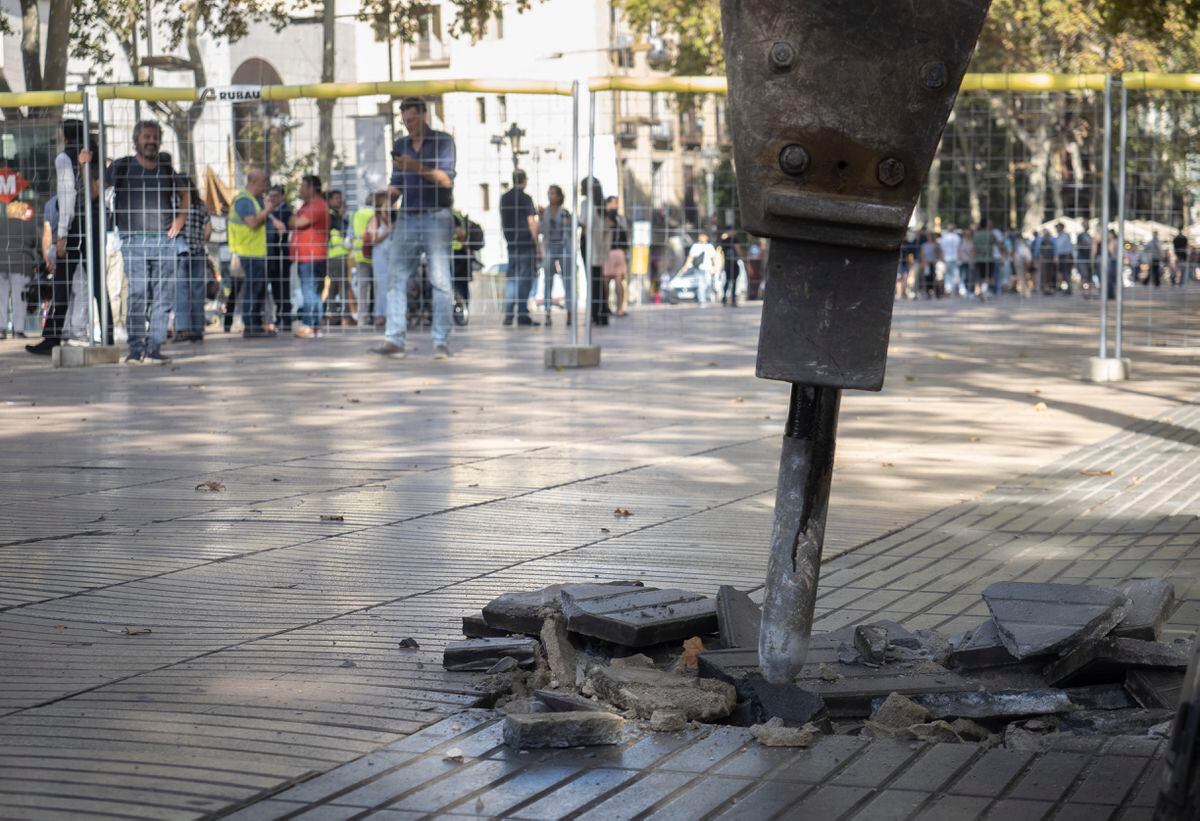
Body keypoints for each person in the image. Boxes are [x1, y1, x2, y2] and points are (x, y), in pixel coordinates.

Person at [372, 98, 456, 359]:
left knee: (440, 281)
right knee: (396, 278)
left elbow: (446, 180)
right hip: (407, 217)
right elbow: (397, 183)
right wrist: (386, 199)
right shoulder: (400, 145)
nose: (408, 125)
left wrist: (415, 166)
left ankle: (441, 340)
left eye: (412, 119)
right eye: (405, 121)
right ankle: (394, 340)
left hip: (436, 216)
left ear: (424, 115)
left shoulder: (443, 141)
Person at [101, 120, 187, 363]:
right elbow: (98, 189)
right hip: (132, 240)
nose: (151, 141)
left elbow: (184, 193)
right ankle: (136, 348)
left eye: (154, 137)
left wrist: (180, 219)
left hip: (163, 239)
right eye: (146, 137)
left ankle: (154, 347)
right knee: (137, 294)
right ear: (136, 140)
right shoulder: (122, 166)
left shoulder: (167, 169)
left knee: (163, 296)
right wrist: (87, 165)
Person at [27, 120, 87, 355]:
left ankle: (55, 337)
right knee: (84, 285)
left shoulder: (65, 158)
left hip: (71, 229)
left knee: (63, 285)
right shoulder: (87, 153)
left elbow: (67, 196)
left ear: (64, 135)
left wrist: (62, 235)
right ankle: (101, 333)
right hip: (86, 225)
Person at [227, 168, 277, 338]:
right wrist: (268, 211)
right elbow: (253, 222)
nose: (265, 187)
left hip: (255, 252)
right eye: (263, 183)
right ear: (254, 182)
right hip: (247, 252)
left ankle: (255, 324)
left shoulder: (253, 200)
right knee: (252, 290)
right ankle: (251, 326)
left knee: (258, 289)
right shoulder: (244, 200)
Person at [289, 174, 328, 338]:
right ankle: (314, 326)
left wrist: (292, 219)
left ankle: (309, 325)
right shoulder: (309, 205)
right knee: (314, 292)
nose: (300, 189)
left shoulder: (317, 205)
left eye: (303, 186)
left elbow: (297, 223)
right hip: (309, 255)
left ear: (312, 188)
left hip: (311, 256)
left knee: (310, 291)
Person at [500, 168, 539, 327]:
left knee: (513, 278)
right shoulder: (525, 198)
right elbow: (531, 222)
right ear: (524, 180)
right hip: (525, 242)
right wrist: (537, 244)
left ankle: (509, 314)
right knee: (524, 279)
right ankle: (522, 314)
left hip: (511, 243)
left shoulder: (504, 198)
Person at [0, 200, 39, 340]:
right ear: (22, 212)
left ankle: (1, 329)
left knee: (1, 297)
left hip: (1, 263)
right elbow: (36, 245)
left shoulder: (1, 224)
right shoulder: (29, 227)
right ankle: (18, 330)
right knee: (20, 298)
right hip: (22, 265)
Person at [538, 184, 572, 325]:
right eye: (549, 193)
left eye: (553, 193)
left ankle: (570, 312)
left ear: (559, 196)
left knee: (568, 281)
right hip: (549, 248)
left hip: (564, 248)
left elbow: (571, 228)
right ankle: (547, 313)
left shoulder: (565, 213)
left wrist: (567, 223)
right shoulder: (544, 213)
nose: (550, 196)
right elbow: (541, 231)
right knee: (548, 281)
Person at [579, 177, 611, 325]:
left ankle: (594, 313)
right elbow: (607, 227)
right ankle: (602, 312)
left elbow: (583, 222)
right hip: (599, 246)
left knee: (591, 280)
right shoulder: (601, 204)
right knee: (598, 280)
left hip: (588, 243)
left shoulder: (586, 204)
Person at [264, 184, 291, 333]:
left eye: (275, 196)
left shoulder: (285, 211)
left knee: (283, 289)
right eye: (270, 197)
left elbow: (282, 228)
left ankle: (285, 319)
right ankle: (279, 318)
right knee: (275, 289)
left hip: (281, 255)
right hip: (270, 255)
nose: (272, 199)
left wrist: (269, 215)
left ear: (281, 196)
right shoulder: (270, 211)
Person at [324, 189, 354, 325]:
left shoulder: (335, 216)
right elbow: (343, 229)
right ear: (329, 200)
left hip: (337, 256)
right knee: (343, 286)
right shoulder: (331, 216)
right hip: (335, 256)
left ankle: (332, 315)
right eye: (336, 198)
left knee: (334, 287)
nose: (339, 201)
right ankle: (345, 316)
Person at [350, 195, 376, 325]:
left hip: (360, 253)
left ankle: (362, 318)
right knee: (376, 287)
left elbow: (350, 234)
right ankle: (377, 315)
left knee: (362, 287)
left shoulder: (356, 214)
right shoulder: (376, 213)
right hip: (375, 251)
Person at [604, 196, 629, 316]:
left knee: (613, 281)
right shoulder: (619, 219)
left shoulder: (605, 218)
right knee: (610, 281)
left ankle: (616, 307)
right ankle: (615, 308)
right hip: (615, 251)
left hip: (613, 251)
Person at [685, 231, 719, 306]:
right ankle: (702, 300)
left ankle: (707, 297)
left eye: (703, 236)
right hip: (699, 268)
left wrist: (715, 267)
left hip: (708, 268)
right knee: (700, 285)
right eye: (700, 236)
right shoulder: (695, 246)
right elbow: (690, 257)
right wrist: (686, 266)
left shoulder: (709, 246)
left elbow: (714, 258)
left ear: (707, 237)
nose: (701, 237)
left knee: (708, 283)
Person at [717, 227, 741, 307]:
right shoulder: (734, 239)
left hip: (728, 263)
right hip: (733, 263)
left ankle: (725, 299)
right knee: (732, 281)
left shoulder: (724, 240)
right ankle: (732, 300)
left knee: (728, 281)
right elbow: (738, 250)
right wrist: (741, 257)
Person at [937, 225, 961, 296]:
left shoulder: (944, 237)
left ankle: (948, 290)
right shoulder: (956, 237)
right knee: (954, 274)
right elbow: (958, 248)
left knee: (948, 275)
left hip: (947, 258)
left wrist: (942, 257)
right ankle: (952, 290)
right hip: (954, 258)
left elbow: (942, 249)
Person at [1053, 222, 1074, 294]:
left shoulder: (1065, 236)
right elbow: (1057, 249)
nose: (1056, 229)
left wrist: (1068, 258)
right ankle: (1062, 287)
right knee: (1061, 273)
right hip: (1061, 257)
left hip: (1066, 256)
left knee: (1066, 273)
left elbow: (1069, 248)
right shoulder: (1058, 237)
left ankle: (1069, 289)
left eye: (1058, 227)